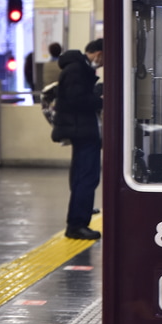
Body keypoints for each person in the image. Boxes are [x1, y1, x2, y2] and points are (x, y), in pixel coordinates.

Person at [51, 38, 103, 240]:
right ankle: (77, 224)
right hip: (82, 130)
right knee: (87, 176)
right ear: (99, 53)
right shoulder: (76, 69)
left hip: (81, 129)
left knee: (83, 175)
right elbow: (76, 99)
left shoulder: (76, 68)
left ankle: (80, 216)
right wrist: (99, 100)